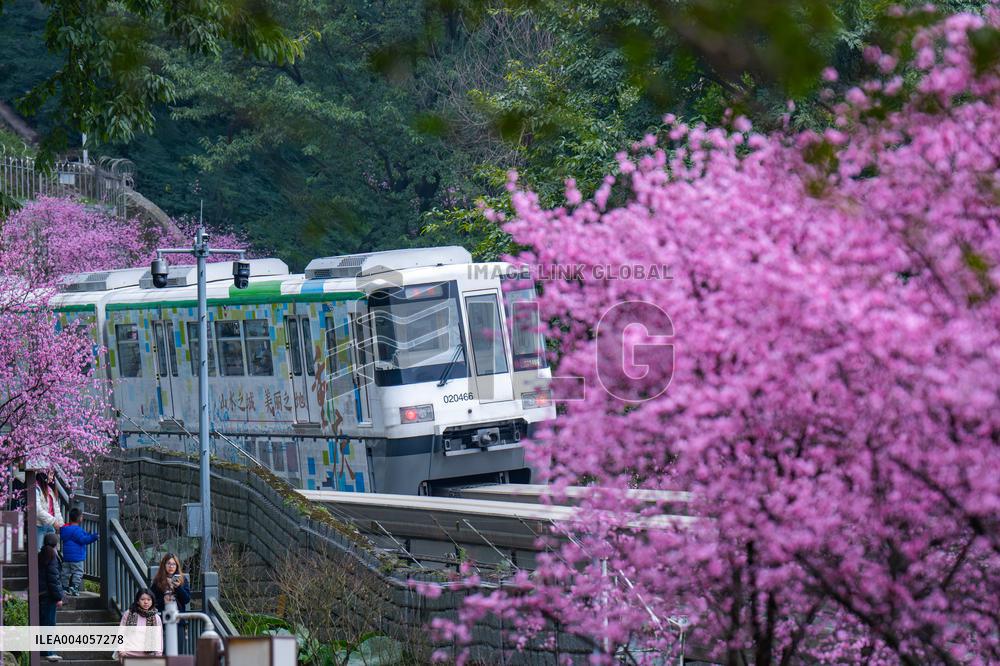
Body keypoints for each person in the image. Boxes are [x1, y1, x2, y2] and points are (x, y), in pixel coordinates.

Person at [151, 553, 190, 648]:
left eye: (174, 564)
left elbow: (186, 599)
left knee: (178, 649)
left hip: (178, 619)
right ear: (164, 565)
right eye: (168, 563)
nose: (171, 566)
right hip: (162, 619)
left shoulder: (182, 580)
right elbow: (151, 601)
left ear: (177, 566)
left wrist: (178, 588)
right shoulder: (157, 581)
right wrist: (163, 600)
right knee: (164, 650)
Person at [115, 588, 162, 661]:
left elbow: (159, 638)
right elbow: (121, 633)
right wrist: (121, 651)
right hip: (128, 654)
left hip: (148, 656)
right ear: (137, 601)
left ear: (152, 601)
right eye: (142, 599)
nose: (146, 602)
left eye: (149, 600)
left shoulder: (156, 618)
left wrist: (158, 655)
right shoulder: (128, 614)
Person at [38, 532, 64, 662]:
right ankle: (49, 651)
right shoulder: (53, 556)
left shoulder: (41, 554)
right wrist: (59, 597)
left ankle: (44, 650)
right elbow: (54, 579)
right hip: (49, 596)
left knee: (43, 623)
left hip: (41, 594)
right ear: (56, 543)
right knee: (50, 624)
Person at [60, 508, 98, 596]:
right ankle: (74, 587)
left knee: (66, 572)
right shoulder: (77, 530)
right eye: (82, 516)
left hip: (67, 557)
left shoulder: (66, 529)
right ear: (80, 518)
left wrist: (87, 534)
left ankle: (64, 587)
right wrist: (93, 537)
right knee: (78, 572)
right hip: (77, 558)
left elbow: (78, 536)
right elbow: (83, 540)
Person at [35, 472, 64, 551]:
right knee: (39, 552)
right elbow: (37, 510)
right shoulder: (36, 489)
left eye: (53, 475)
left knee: (52, 552)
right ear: (43, 474)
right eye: (50, 474)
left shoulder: (50, 489)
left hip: (50, 526)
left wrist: (61, 525)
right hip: (39, 526)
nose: (52, 477)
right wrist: (54, 521)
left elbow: (56, 509)